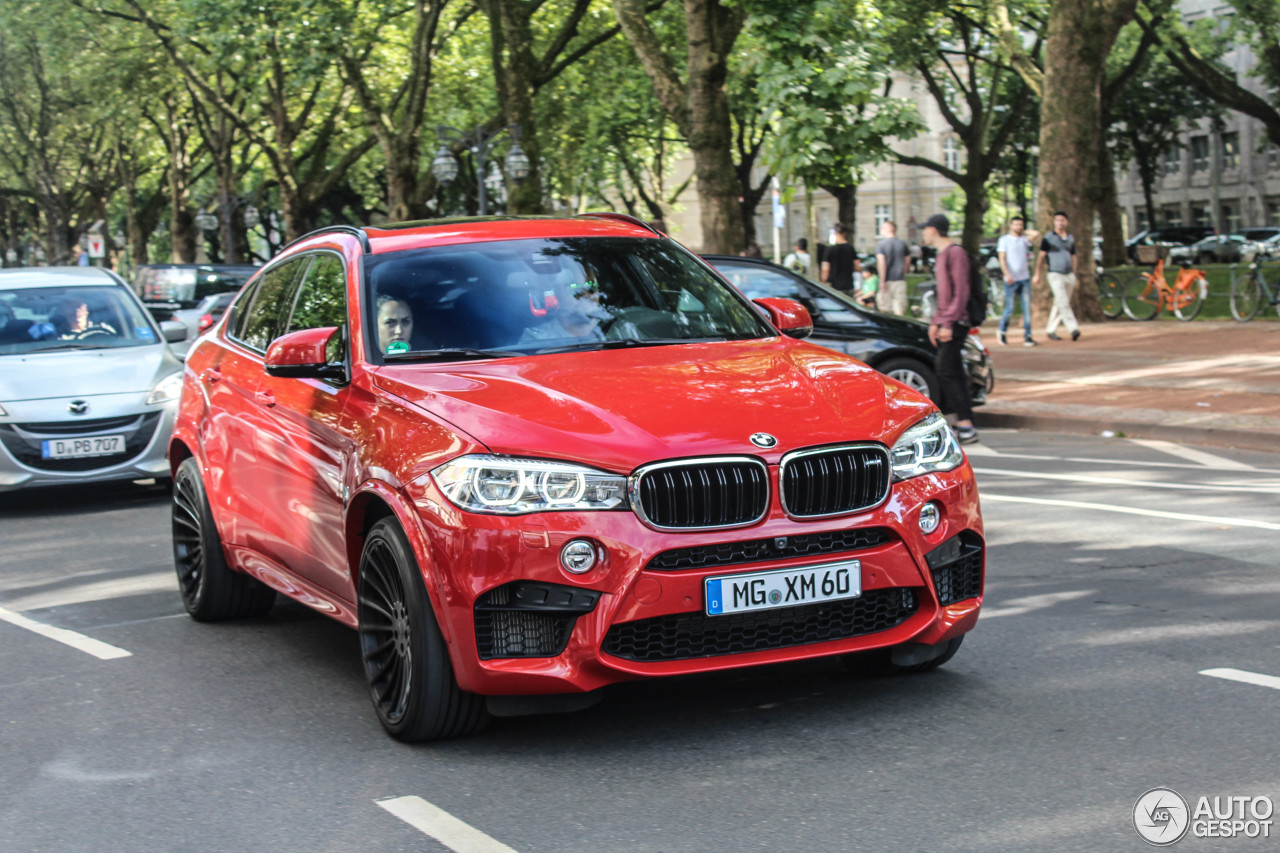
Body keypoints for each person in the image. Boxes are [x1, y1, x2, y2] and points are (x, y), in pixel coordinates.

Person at [921, 213, 978, 444]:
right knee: (951, 371)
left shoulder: (955, 253)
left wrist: (947, 323)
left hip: (957, 322)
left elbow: (961, 292)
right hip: (948, 321)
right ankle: (965, 424)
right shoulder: (942, 255)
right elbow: (943, 295)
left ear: (934, 230)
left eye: (925, 229)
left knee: (946, 371)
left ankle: (965, 425)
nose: (923, 233)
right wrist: (936, 322)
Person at [1033, 210, 1081, 341]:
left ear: (1067, 222)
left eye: (1062, 220)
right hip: (1055, 274)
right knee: (1063, 302)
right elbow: (1041, 256)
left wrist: (1074, 273)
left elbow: (1074, 256)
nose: (1060, 223)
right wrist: (1037, 274)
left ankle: (1051, 329)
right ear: (1054, 222)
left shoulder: (1070, 238)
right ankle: (1073, 328)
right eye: (1058, 220)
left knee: (1059, 303)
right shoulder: (1048, 238)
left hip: (1069, 274)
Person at [996, 216, 1042, 346]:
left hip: (1024, 278)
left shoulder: (1023, 240)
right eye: (1015, 224)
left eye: (1020, 225)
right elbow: (1002, 259)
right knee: (1010, 308)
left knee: (1026, 308)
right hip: (1011, 279)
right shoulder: (1004, 240)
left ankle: (1028, 336)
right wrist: (1007, 274)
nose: (1018, 227)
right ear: (1010, 225)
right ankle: (1002, 331)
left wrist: (1024, 231)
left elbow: (1036, 234)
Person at [875, 221, 910, 314]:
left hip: (887, 280)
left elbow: (881, 263)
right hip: (900, 279)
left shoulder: (881, 245)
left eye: (882, 228)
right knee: (899, 308)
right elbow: (907, 260)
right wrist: (904, 272)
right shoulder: (902, 244)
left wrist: (882, 281)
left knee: (885, 308)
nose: (881, 230)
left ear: (888, 229)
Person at [820, 223, 856, 293]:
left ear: (834, 233)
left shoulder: (829, 249)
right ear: (845, 233)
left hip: (834, 287)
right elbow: (857, 266)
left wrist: (824, 282)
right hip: (848, 285)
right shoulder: (850, 248)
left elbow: (825, 269)